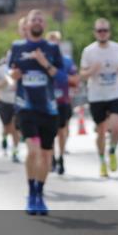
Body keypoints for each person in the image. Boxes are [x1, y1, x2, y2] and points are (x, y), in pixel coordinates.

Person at [8, 9, 65, 215]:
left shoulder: (52, 48)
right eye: (34, 19)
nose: (37, 22)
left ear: (44, 25)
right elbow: (9, 74)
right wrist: (13, 75)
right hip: (26, 106)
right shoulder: (17, 47)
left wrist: (44, 63)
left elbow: (61, 78)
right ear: (28, 24)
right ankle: (31, 193)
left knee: (46, 156)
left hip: (49, 109)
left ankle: (40, 194)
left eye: (41, 19)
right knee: (33, 151)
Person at [79, 18, 118, 178]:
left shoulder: (117, 48)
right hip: (96, 95)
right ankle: (101, 161)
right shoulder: (88, 51)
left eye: (105, 30)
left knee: (117, 127)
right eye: (99, 31)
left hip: (114, 93)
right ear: (95, 33)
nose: (102, 33)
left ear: (109, 32)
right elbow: (82, 75)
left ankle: (112, 150)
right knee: (100, 132)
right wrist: (92, 69)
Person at [46, 30, 79, 175]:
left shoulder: (66, 60)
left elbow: (75, 79)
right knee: (50, 133)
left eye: (56, 40)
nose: (53, 43)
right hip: (47, 102)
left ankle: (61, 157)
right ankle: (52, 157)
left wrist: (62, 77)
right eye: (50, 40)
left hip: (63, 101)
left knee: (62, 131)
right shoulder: (43, 60)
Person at [0, 51, 20, 161]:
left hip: (17, 102)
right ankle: (4, 139)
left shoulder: (21, 68)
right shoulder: (0, 69)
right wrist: (4, 81)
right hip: (4, 101)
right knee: (7, 127)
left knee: (14, 128)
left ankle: (15, 151)